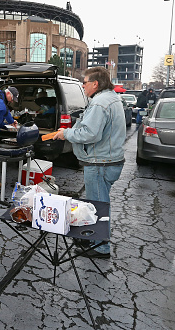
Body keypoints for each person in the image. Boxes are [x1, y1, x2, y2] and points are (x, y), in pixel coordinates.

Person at [52, 66, 126, 258]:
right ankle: (93, 239)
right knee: (99, 203)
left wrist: (65, 133)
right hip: (108, 160)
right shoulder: (110, 98)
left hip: (100, 163)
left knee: (99, 206)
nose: (83, 86)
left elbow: (90, 133)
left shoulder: (100, 103)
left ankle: (100, 248)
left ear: (95, 83)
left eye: (84, 82)